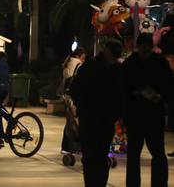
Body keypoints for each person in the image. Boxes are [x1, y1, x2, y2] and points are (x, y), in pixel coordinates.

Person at [122, 33, 174, 187]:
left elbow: (169, 85)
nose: (145, 49)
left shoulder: (158, 63)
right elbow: (123, 88)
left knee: (156, 153)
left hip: (151, 114)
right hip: (138, 115)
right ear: (139, 47)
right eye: (143, 46)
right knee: (135, 155)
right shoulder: (131, 63)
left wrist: (161, 96)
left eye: (147, 46)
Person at [71, 40, 124, 187]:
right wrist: (83, 109)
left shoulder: (116, 70)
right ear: (106, 52)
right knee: (90, 158)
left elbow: (121, 95)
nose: (114, 60)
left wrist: (116, 114)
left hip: (104, 121)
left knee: (99, 157)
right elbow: (76, 90)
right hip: (90, 120)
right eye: (113, 56)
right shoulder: (90, 68)